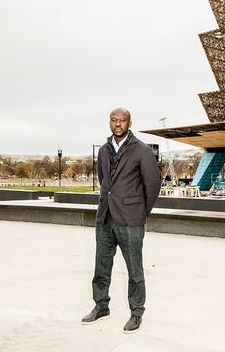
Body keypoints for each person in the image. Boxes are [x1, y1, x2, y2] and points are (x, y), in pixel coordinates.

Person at [82, 107, 161, 333]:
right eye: (114, 120)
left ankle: (136, 313)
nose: (118, 124)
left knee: (135, 270)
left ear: (129, 122)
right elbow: (103, 180)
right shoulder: (104, 151)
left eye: (122, 120)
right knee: (101, 266)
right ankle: (101, 306)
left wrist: (140, 212)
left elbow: (153, 186)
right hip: (105, 216)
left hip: (131, 220)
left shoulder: (142, 150)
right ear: (109, 122)